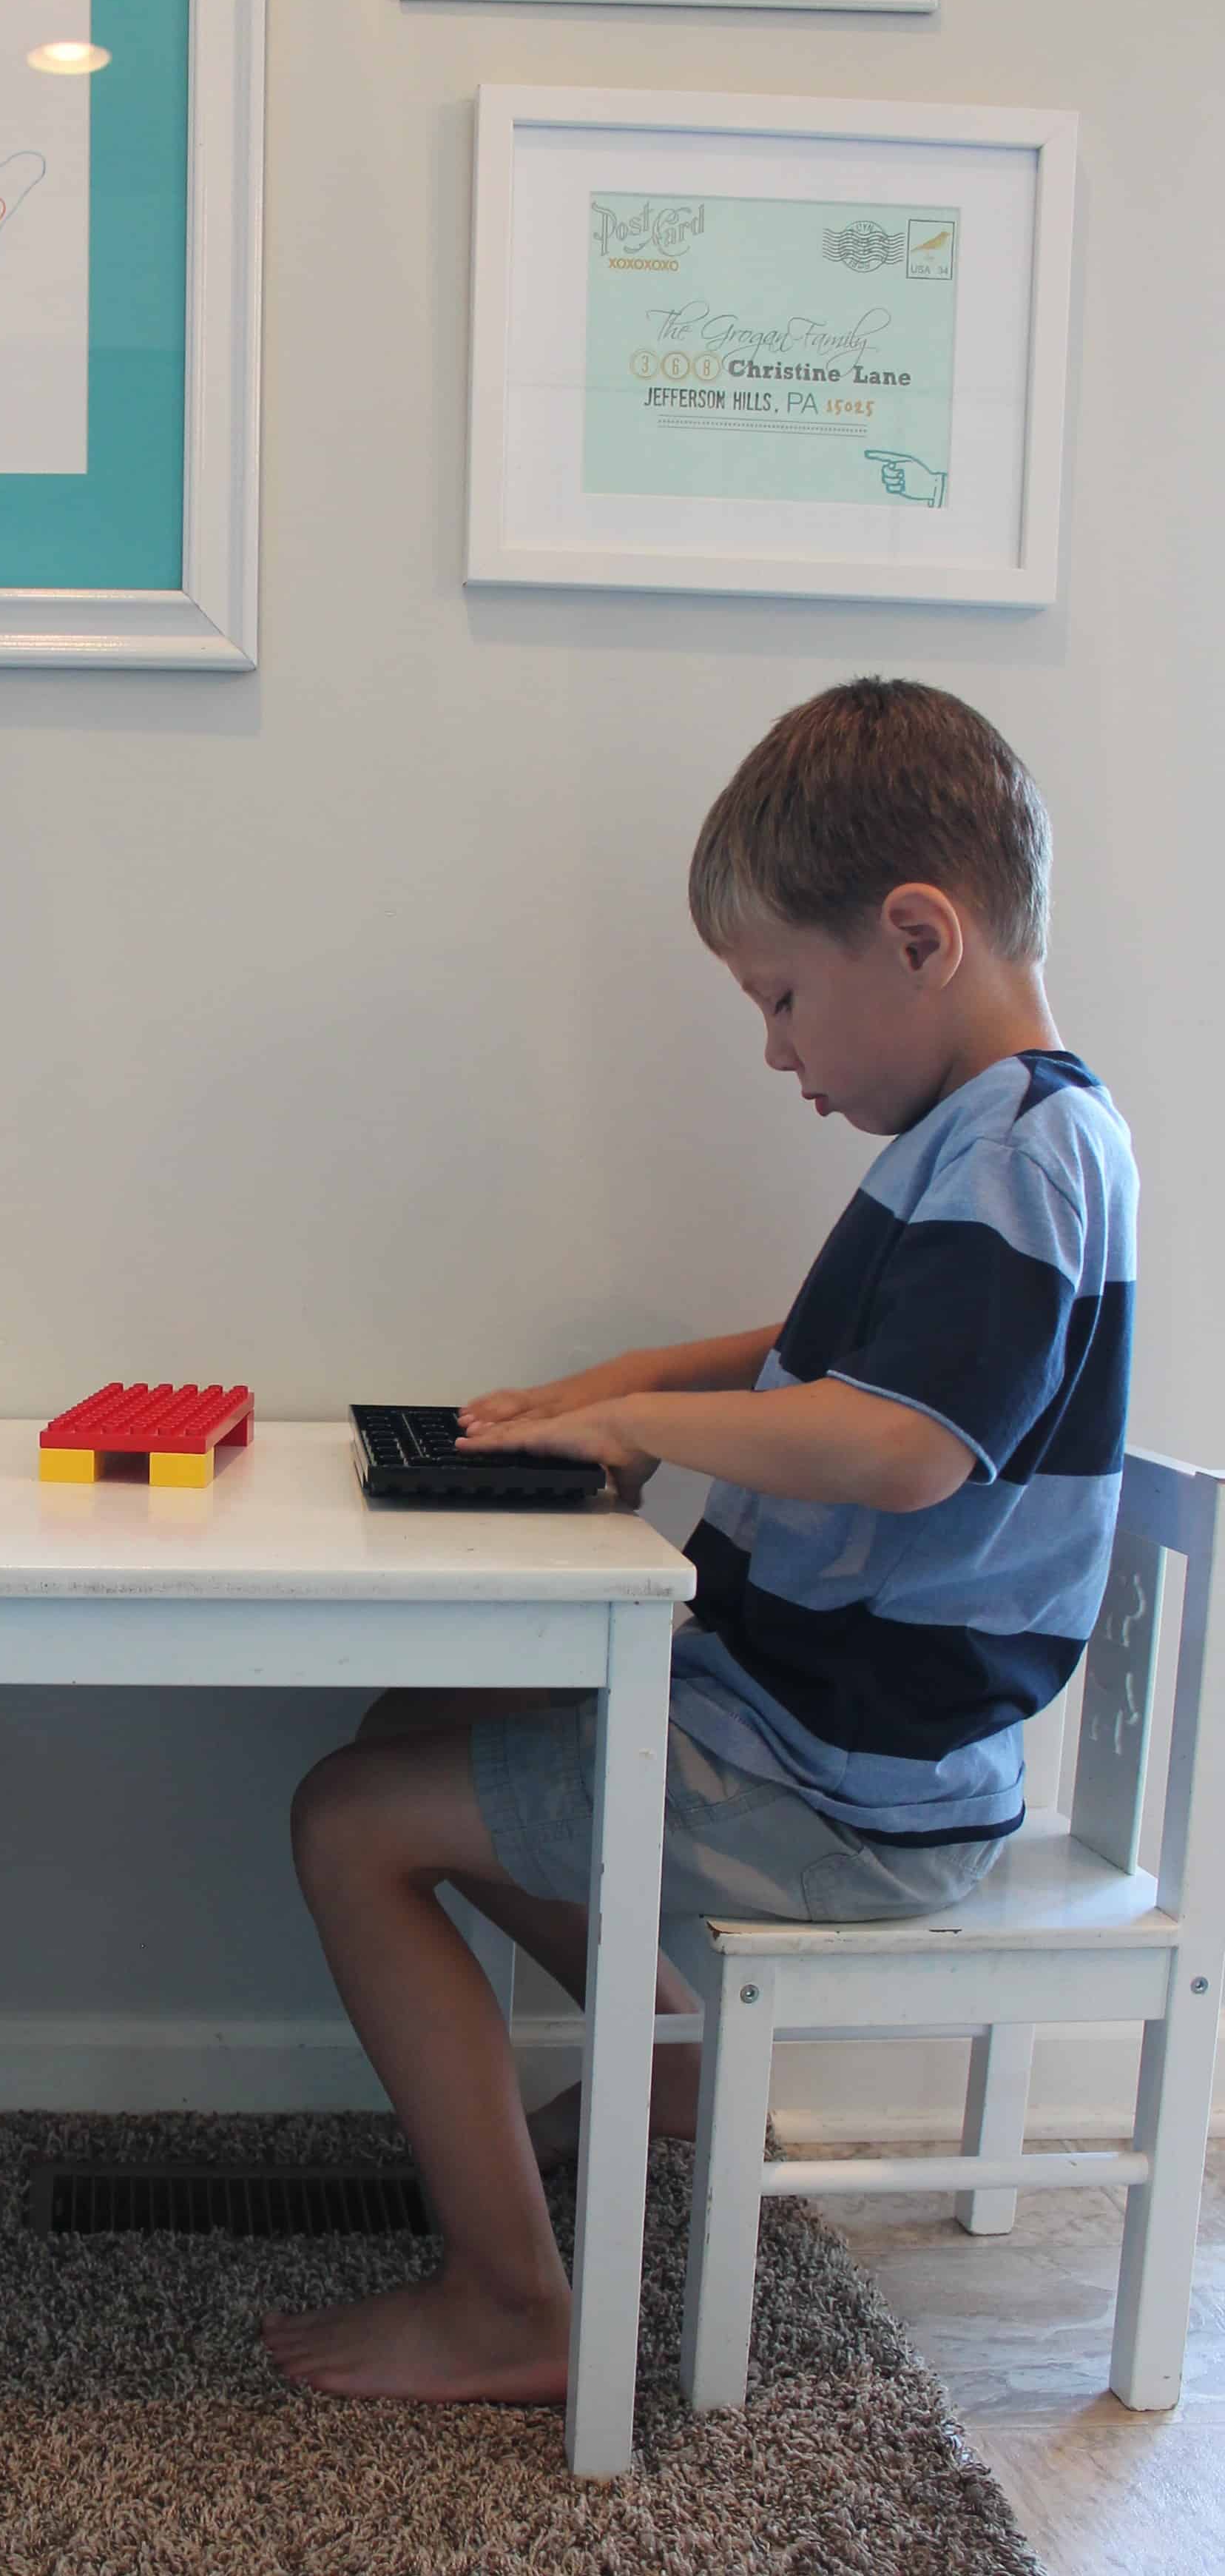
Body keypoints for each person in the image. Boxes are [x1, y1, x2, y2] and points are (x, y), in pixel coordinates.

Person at [264, 679, 1135, 2406]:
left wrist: (642, 1430)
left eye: (780, 998)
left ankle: (513, 2305)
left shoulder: (1019, 1154)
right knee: (396, 1742)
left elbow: (894, 1448)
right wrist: (622, 1382)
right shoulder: (989, 1145)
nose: (775, 1054)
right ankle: (668, 2064)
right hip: (814, 1746)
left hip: (839, 1796)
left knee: (345, 1821)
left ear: (914, 936)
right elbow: (825, 1360)